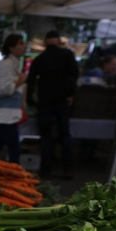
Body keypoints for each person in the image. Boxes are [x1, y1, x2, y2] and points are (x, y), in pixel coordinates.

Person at [26, 30, 79, 179]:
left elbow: (31, 80)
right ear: (58, 40)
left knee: (45, 136)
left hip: (45, 101)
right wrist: (70, 93)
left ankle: (45, 169)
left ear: (45, 42)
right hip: (62, 100)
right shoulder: (67, 54)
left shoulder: (41, 58)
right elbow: (74, 74)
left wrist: (31, 100)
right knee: (65, 135)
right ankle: (68, 169)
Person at [0, 34, 27, 164]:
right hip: (6, 113)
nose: (24, 46)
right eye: (20, 43)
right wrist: (20, 81)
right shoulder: (7, 65)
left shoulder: (13, 64)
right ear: (11, 47)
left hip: (7, 113)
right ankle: (15, 176)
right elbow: (3, 90)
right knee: (14, 148)